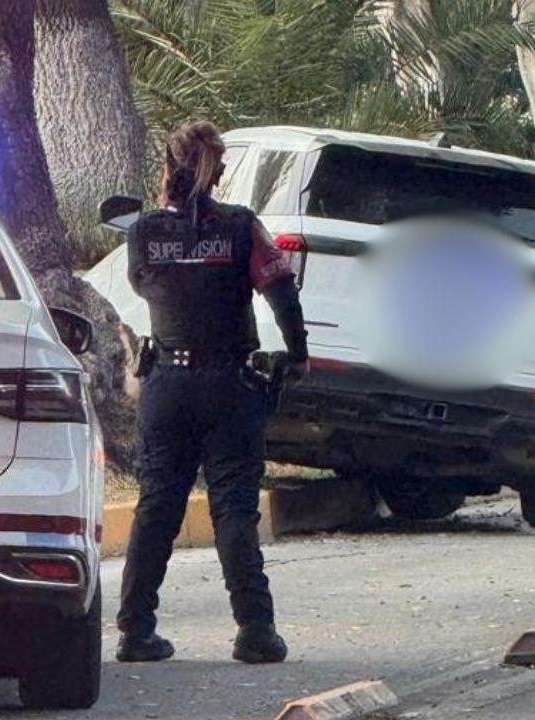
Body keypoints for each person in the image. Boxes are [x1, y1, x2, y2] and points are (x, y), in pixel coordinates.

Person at [116, 121, 309, 664]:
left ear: (167, 168)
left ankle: (135, 631)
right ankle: (255, 631)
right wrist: (297, 354)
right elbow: (280, 292)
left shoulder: (144, 233)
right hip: (229, 384)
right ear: (215, 170)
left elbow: (143, 282)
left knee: (156, 506)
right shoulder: (241, 227)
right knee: (233, 508)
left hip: (167, 385)